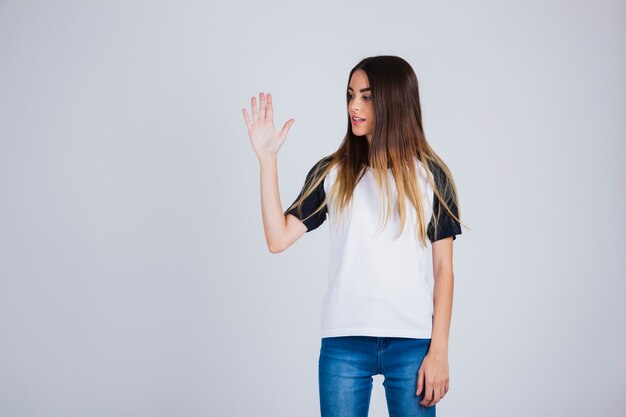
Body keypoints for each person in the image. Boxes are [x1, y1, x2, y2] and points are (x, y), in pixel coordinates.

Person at [242, 55, 465, 417]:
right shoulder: (334, 172)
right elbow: (277, 239)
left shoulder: (432, 175)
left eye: (366, 96)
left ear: (393, 101)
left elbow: (444, 269)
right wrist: (267, 161)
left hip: (411, 343)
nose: (353, 106)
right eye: (350, 95)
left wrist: (439, 350)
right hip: (344, 341)